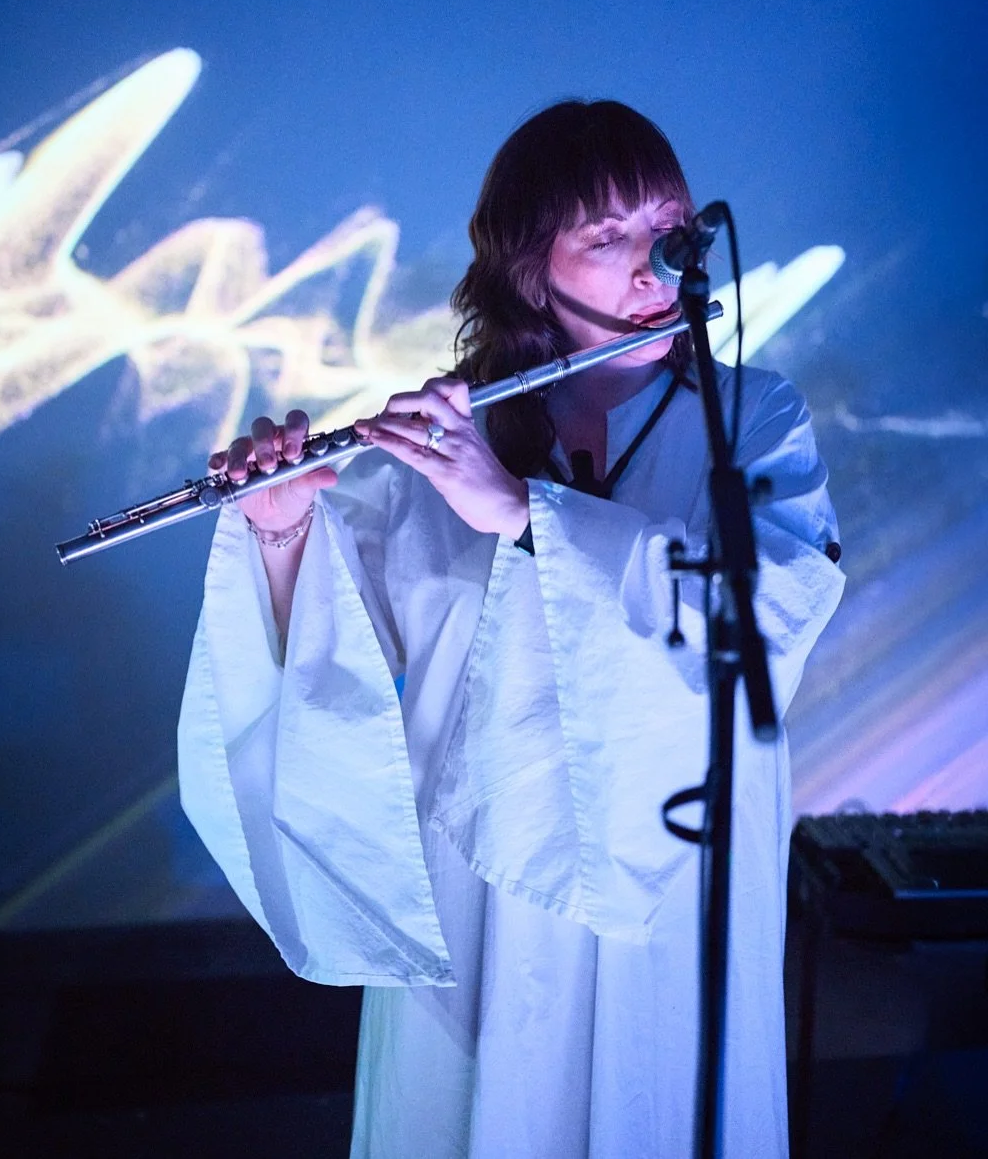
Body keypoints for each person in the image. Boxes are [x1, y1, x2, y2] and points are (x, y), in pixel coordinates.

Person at [177, 100, 845, 1158]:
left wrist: (523, 514)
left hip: (675, 872)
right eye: (609, 236)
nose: (655, 264)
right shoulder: (450, 437)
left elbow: (772, 610)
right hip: (479, 880)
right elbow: (336, 661)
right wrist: (280, 527)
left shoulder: (755, 417)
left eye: (668, 227)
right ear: (532, 274)